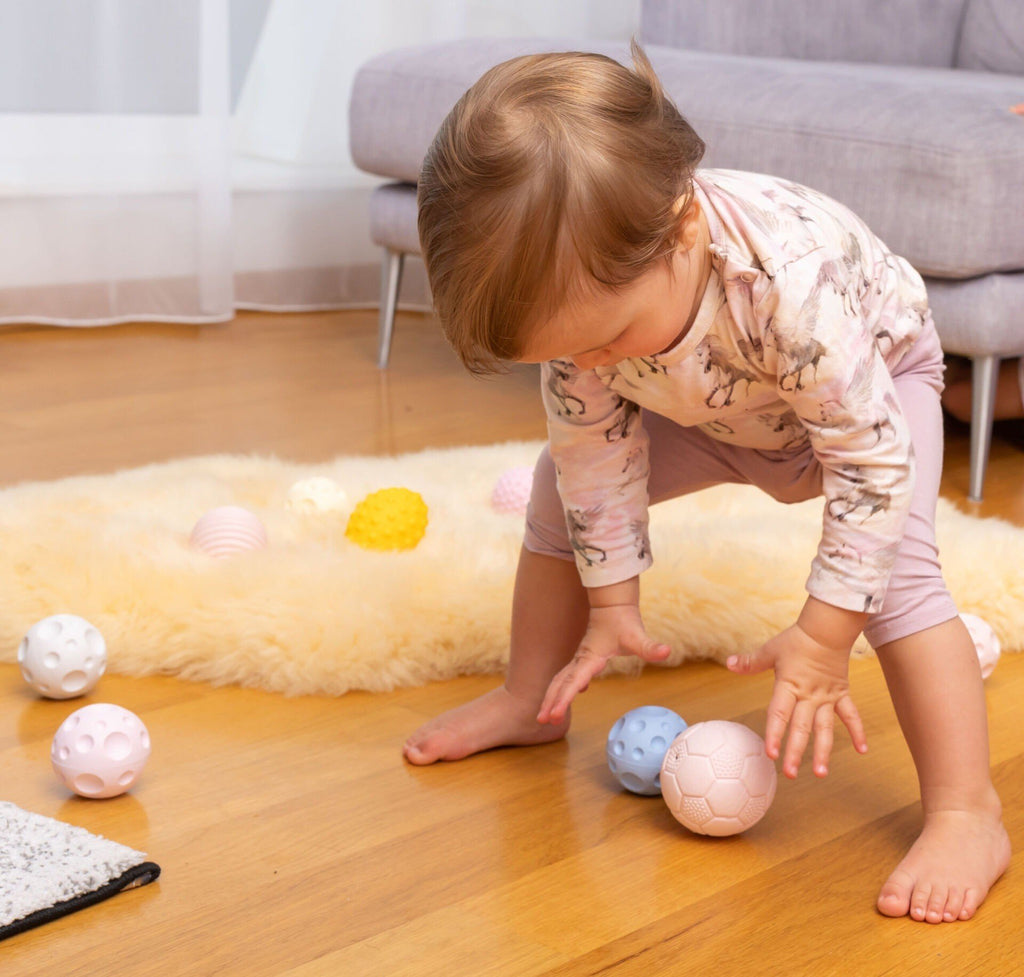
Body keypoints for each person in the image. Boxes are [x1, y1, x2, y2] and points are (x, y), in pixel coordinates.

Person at [405, 42, 1010, 924]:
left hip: (866, 394)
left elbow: (870, 469)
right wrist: (612, 603)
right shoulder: (590, 332)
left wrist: (822, 633)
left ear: (683, 230)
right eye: (562, 354)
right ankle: (530, 699)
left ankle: (968, 812)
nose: (586, 365)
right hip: (718, 409)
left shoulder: (787, 282)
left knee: (898, 576)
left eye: (603, 339)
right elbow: (594, 456)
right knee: (553, 489)